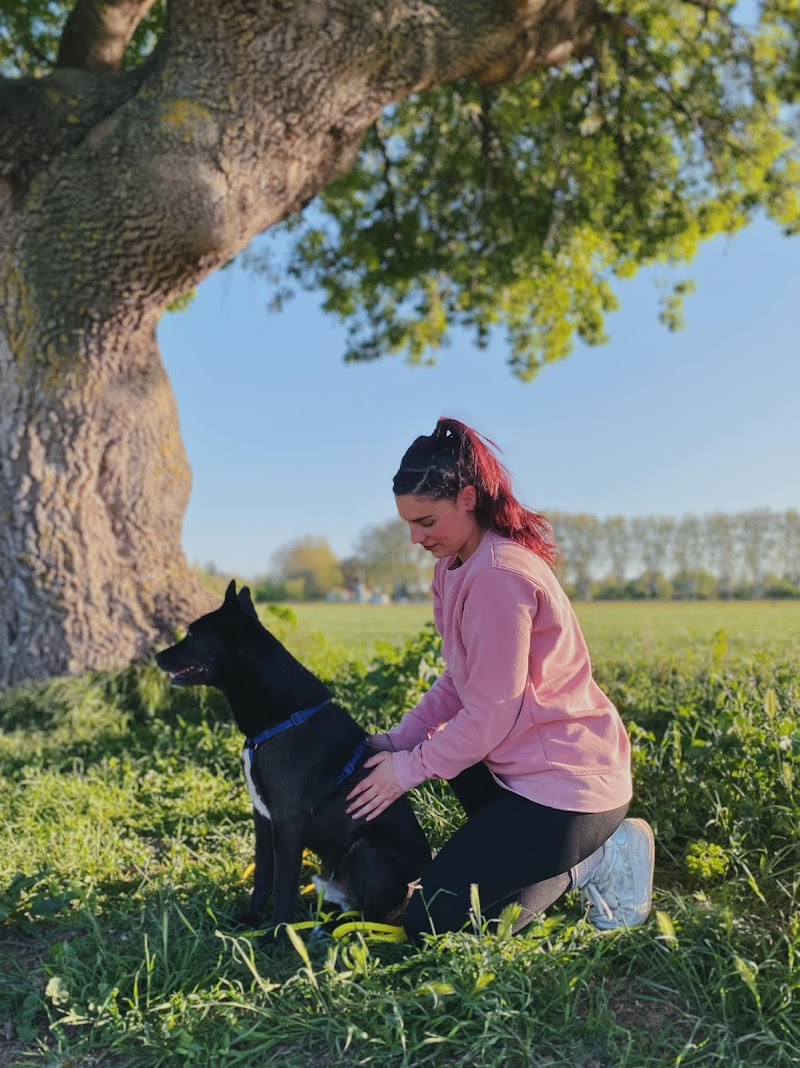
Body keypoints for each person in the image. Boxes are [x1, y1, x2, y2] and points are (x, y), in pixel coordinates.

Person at [346, 417, 655, 944]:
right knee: (451, 775)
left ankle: (599, 856)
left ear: (467, 498)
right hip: (516, 771)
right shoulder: (453, 565)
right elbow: (459, 681)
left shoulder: (497, 576)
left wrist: (407, 770)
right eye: (409, 525)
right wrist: (400, 741)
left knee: (434, 926)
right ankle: (517, 856)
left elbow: (488, 716)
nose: (417, 538)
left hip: (569, 788)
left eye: (426, 521)